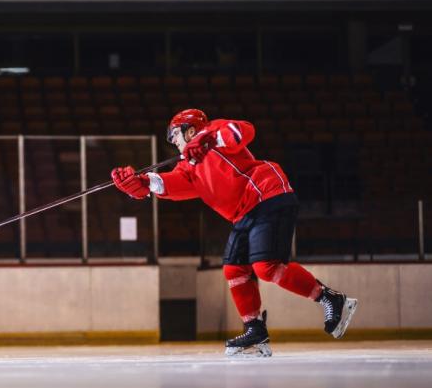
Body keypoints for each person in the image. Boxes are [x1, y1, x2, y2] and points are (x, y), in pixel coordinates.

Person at [111, 109, 358, 357]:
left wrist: (208, 140)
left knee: (266, 267)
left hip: (266, 194)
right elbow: (169, 184)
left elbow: (244, 130)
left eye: (175, 134)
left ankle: (331, 299)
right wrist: (141, 184)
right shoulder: (190, 167)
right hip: (244, 213)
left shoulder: (214, 131)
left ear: (191, 130)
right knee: (234, 269)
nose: (173, 141)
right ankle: (255, 331)